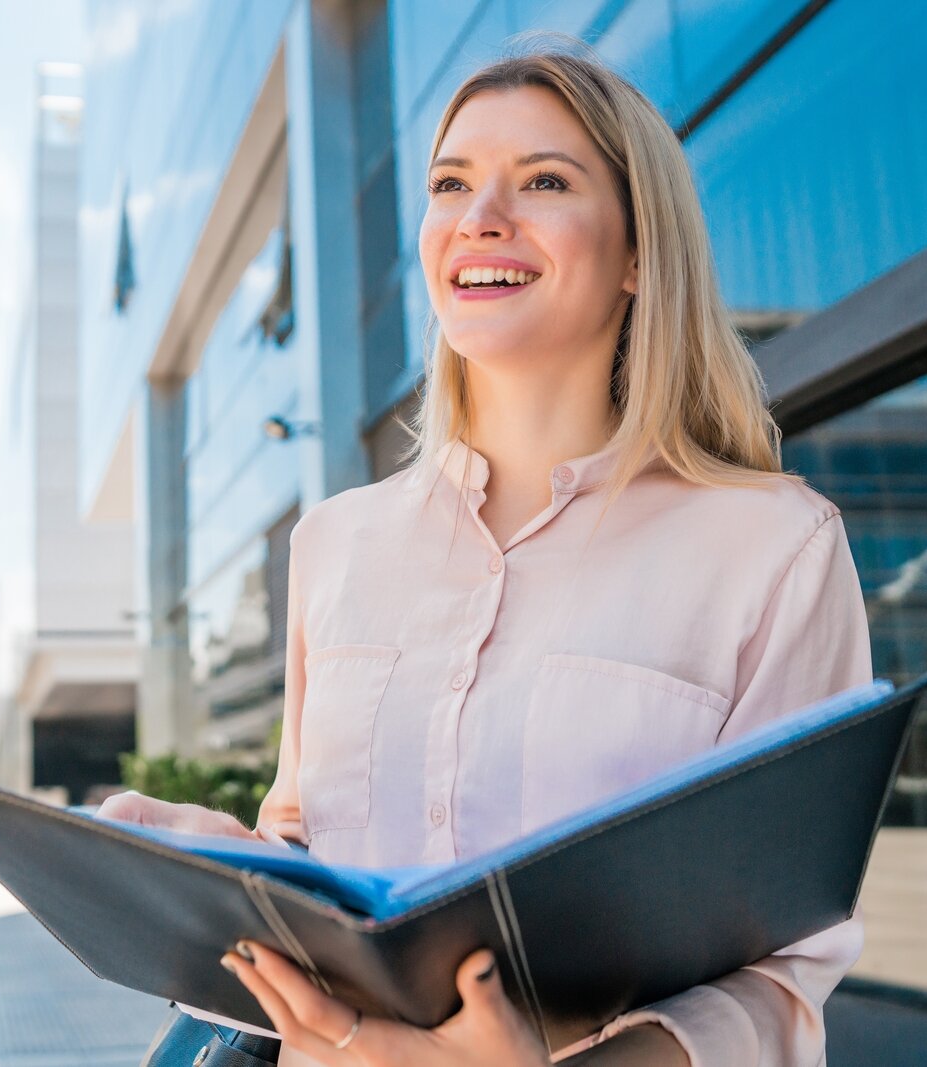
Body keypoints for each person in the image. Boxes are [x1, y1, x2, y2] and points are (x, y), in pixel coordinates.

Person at [102, 35, 871, 1067]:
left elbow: (786, 967)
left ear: (640, 253)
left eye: (543, 180)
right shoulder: (335, 542)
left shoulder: (773, 545)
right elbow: (310, 843)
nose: (478, 218)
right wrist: (211, 872)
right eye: (450, 183)